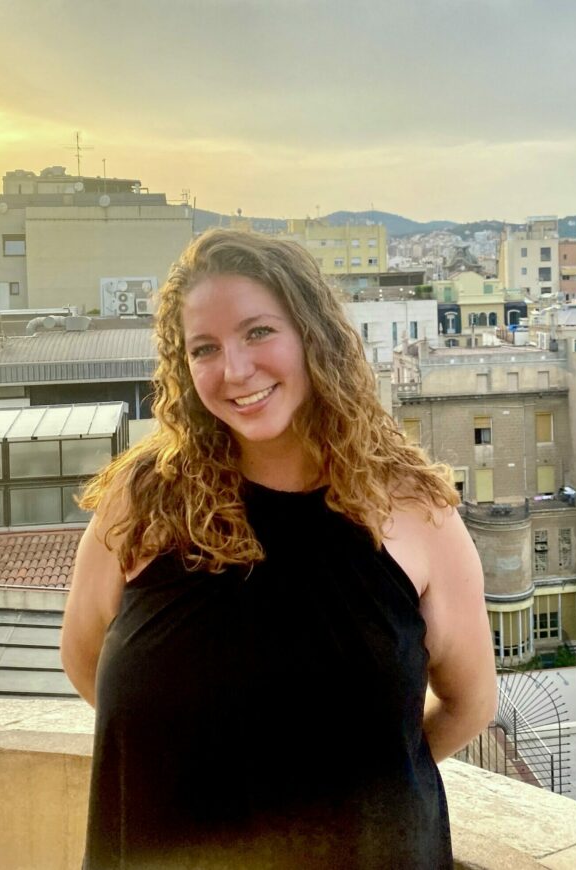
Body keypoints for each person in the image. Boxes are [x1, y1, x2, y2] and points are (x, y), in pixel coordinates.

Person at [62, 229, 496, 869]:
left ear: (312, 336)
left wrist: (343, 790)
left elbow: (470, 704)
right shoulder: (142, 500)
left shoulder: (414, 511)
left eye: (259, 332)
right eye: (205, 348)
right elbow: (85, 660)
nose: (235, 370)